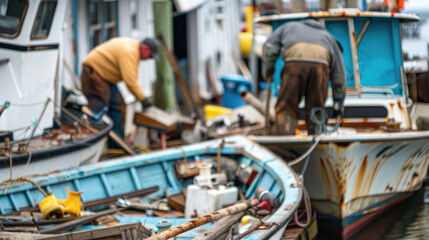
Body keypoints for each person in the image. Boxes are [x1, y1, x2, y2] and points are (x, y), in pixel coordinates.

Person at [262, 17, 346, 135]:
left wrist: (268, 72)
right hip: (321, 65)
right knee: (316, 106)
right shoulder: (329, 37)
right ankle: (317, 134)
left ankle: (284, 136)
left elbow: (270, 48)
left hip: (294, 62)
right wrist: (339, 103)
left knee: (287, 106)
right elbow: (339, 76)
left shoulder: (288, 26)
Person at [81, 37, 160, 141]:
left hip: (105, 77)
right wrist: (143, 100)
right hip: (94, 73)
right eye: (150, 55)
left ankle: (117, 142)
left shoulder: (134, 50)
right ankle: (87, 139)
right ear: (145, 49)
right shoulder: (130, 52)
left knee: (119, 107)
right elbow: (130, 81)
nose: (149, 59)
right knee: (98, 107)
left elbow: (132, 77)